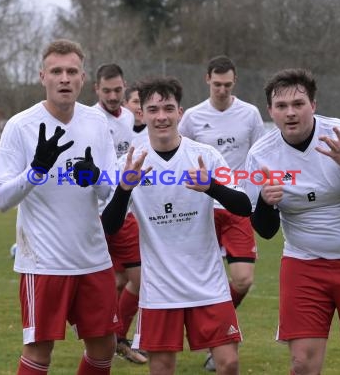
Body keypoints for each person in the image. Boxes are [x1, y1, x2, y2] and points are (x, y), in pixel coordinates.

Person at [245, 68, 340, 375]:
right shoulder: (260, 155)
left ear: (313, 105)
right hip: (304, 265)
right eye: (281, 106)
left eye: (298, 104)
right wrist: (266, 202)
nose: (290, 113)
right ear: (271, 112)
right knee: (302, 363)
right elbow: (265, 231)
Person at [102, 77, 251, 375]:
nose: (161, 117)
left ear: (180, 112)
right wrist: (124, 189)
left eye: (168, 108)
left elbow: (243, 206)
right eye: (153, 109)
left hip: (208, 283)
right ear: (141, 114)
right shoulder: (130, 162)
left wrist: (212, 187)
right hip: (160, 288)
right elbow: (109, 225)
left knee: (229, 362)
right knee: (162, 367)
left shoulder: (204, 156)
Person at [0, 39, 120, 375]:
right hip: (44, 261)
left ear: (82, 77)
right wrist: (35, 171)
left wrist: (94, 177)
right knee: (39, 350)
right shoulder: (21, 126)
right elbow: (2, 200)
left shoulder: (96, 123)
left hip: (93, 257)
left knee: (104, 344)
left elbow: (111, 191)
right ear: (42, 76)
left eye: (71, 71)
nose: (64, 78)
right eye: (56, 71)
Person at [178, 55, 265, 371]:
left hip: (236, 206)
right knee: (196, 280)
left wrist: (258, 196)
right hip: (201, 210)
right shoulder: (192, 117)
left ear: (235, 81)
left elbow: (259, 156)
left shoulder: (250, 115)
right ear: (207, 80)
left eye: (228, 84)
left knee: (242, 280)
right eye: (217, 84)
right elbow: (180, 155)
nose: (223, 90)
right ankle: (217, 344)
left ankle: (219, 335)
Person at [92, 63, 147, 364]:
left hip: (125, 213)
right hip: (93, 215)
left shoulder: (131, 119)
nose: (113, 96)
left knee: (139, 279)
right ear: (96, 90)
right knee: (109, 282)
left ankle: (118, 338)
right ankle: (102, 339)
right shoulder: (87, 119)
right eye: (106, 90)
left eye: (117, 90)